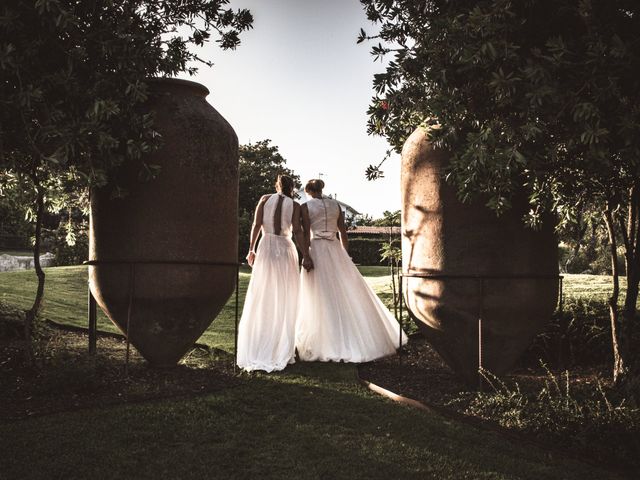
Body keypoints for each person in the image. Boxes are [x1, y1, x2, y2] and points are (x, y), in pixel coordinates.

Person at [295, 179, 407, 362]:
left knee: (318, 293)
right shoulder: (336, 206)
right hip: (335, 249)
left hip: (317, 249)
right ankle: (354, 336)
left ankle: (325, 339)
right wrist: (344, 255)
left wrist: (306, 255)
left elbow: (306, 232)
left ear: (308, 190)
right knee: (343, 292)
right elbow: (343, 233)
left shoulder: (306, 207)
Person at [236, 175, 313, 372]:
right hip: (286, 248)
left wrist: (251, 249)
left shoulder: (264, 199)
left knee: (262, 294)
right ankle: (281, 344)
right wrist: (306, 255)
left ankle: (261, 342)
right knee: (286, 295)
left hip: (267, 246)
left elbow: (256, 225)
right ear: (292, 187)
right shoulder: (295, 205)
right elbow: (297, 231)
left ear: (277, 185)